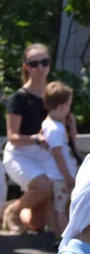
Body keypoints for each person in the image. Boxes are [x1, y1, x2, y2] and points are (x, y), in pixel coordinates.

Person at [2, 44, 58, 233]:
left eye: (44, 62)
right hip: (20, 154)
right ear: (26, 66)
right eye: (34, 63)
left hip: (45, 156)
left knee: (37, 224)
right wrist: (35, 139)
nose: (40, 68)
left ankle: (13, 206)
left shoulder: (54, 96)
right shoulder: (19, 98)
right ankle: (12, 212)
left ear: (50, 65)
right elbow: (13, 136)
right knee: (44, 187)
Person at [41, 81, 80, 241]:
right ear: (63, 105)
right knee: (62, 208)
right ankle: (66, 238)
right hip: (61, 177)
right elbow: (58, 155)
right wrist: (68, 177)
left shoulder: (53, 124)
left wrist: (72, 128)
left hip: (61, 176)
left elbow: (70, 143)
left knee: (63, 206)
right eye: (69, 104)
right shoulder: (54, 129)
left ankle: (62, 236)